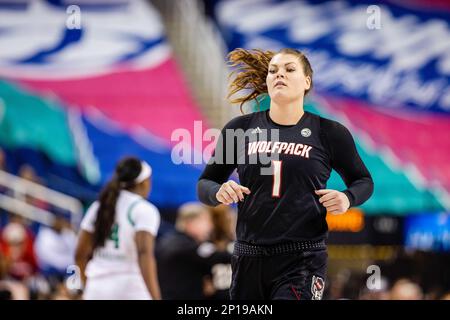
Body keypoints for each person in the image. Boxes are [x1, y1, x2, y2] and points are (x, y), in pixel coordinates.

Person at [197, 48, 374, 300]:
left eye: (289, 70)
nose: (279, 75)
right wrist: (218, 191)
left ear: (306, 82)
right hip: (248, 256)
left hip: (302, 258)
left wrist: (348, 198)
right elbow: (206, 182)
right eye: (273, 71)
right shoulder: (240, 128)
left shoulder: (329, 132)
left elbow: (363, 181)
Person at [75, 157, 161, 300]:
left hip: (97, 287)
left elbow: (79, 254)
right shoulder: (144, 209)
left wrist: (86, 285)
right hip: (131, 288)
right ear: (144, 182)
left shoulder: (99, 206)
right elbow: (144, 254)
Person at [156, 202, 231, 300]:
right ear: (192, 222)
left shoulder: (169, 239)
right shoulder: (184, 246)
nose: (211, 227)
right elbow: (218, 256)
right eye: (207, 221)